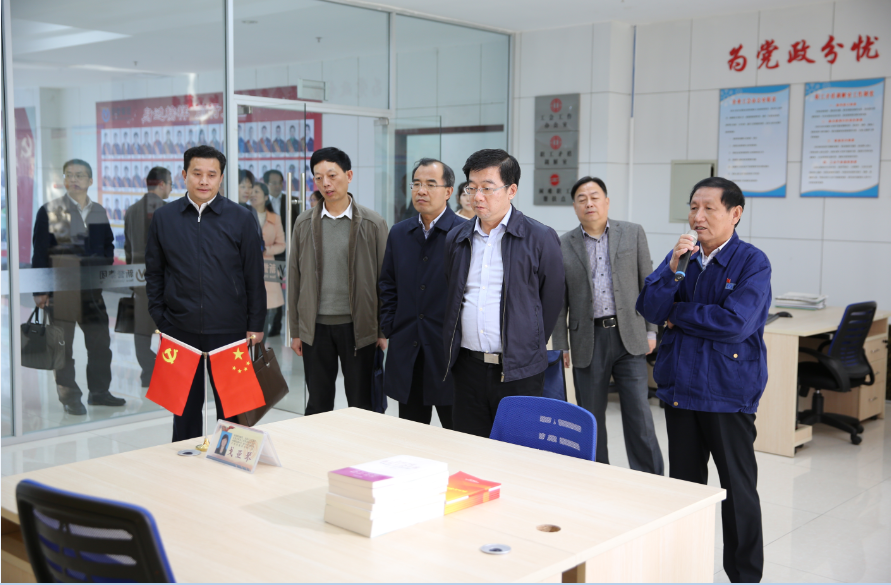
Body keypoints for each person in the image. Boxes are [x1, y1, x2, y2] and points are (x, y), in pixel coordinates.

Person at [635, 176, 770, 583]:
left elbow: (735, 323)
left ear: (735, 213)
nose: (698, 216)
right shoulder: (683, 256)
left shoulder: (752, 262)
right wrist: (671, 270)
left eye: (709, 208)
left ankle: (744, 576)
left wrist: (678, 314)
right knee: (685, 491)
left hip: (728, 393)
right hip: (680, 389)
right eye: (694, 207)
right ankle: (684, 569)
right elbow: (649, 307)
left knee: (738, 491)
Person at [146, 146, 265, 442]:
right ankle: (184, 462)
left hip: (230, 330)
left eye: (211, 175)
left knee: (234, 409)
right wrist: (161, 318)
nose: (204, 181)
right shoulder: (164, 218)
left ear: (221, 178)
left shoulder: (241, 218)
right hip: (180, 329)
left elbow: (253, 275)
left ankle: (232, 461)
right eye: (197, 173)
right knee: (184, 408)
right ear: (184, 175)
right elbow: (155, 273)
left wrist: (255, 324)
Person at [443, 149, 564, 438]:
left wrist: (526, 345)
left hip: (519, 372)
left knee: (516, 450)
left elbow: (551, 301)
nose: (477, 196)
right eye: (472, 187)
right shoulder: (457, 238)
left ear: (511, 190)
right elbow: (452, 294)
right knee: (470, 448)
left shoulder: (540, 237)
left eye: (487, 188)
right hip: (467, 367)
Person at [553, 177, 663, 475]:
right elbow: (559, 301)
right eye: (582, 198)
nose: (589, 203)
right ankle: (597, 476)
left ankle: (652, 478)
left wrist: (651, 330)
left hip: (630, 336)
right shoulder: (562, 244)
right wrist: (561, 345)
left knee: (639, 414)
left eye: (595, 196)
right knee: (590, 417)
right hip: (587, 340)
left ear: (606, 201)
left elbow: (649, 284)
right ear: (574, 206)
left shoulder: (633, 233)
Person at [288, 147, 389, 415]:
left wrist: (382, 330)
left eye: (332, 175)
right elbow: (295, 278)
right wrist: (296, 330)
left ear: (349, 175)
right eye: (318, 178)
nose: (326, 183)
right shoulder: (303, 223)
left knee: (361, 403)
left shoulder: (373, 223)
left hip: (358, 327)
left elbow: (385, 279)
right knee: (318, 403)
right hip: (315, 328)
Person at [31, 159, 124, 415]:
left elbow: (108, 246)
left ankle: (99, 392)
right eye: (69, 175)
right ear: (63, 180)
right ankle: (69, 397)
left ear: (90, 180)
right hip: (61, 292)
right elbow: (40, 253)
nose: (74, 179)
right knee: (63, 347)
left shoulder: (98, 211)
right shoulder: (51, 210)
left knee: (100, 343)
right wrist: (40, 291)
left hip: (91, 291)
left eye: (80, 175)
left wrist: (100, 267)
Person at [379, 159, 462, 429]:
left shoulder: (463, 233)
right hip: (409, 350)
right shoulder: (399, 233)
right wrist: (390, 326)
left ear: (448, 191)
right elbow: (387, 284)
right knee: (411, 433)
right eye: (416, 184)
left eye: (430, 184)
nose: (421, 191)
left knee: (457, 433)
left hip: (449, 354)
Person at [124, 166, 172, 387]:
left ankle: (148, 373)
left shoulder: (132, 210)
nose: (170, 189)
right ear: (161, 184)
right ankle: (164, 372)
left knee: (142, 331)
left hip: (139, 280)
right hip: (165, 282)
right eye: (170, 184)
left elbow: (128, 248)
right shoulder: (168, 211)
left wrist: (132, 276)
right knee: (169, 330)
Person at [250, 181, 286, 339]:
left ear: (266, 197)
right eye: (252, 191)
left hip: (268, 265)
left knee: (265, 307)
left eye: (257, 192)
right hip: (249, 265)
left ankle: (260, 344)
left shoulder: (274, 218)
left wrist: (266, 250)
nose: (253, 194)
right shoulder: (243, 214)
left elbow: (282, 245)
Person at [263, 170, 288, 338]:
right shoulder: (262, 203)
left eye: (280, 182)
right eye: (273, 183)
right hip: (271, 254)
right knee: (275, 289)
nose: (277, 186)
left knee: (289, 290)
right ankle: (275, 325)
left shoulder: (292, 200)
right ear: (266, 184)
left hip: (289, 252)